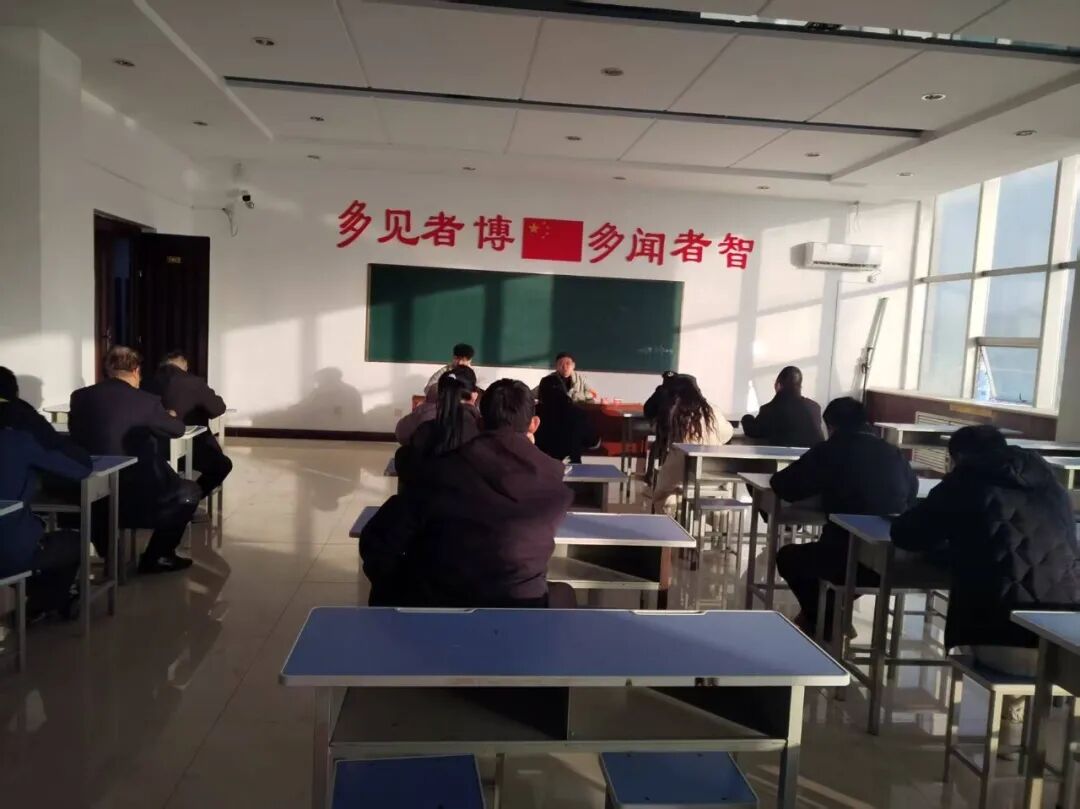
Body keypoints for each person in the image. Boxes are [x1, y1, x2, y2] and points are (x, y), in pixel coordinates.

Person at [891, 425, 1080, 752]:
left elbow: (908, 534)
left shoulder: (964, 482)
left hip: (998, 640)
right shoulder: (1052, 484)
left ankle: (1011, 718)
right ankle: (1015, 721)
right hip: (1065, 644)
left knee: (999, 611)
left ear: (958, 457)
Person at [360, 378, 573, 608]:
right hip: (521, 605)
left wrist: (397, 587)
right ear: (534, 424)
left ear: (480, 422)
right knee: (564, 595)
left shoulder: (440, 470)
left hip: (439, 603)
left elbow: (378, 540)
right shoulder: (556, 489)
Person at [773, 397, 917, 637]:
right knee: (831, 564)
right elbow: (911, 494)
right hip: (892, 561)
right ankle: (829, 613)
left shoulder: (830, 450)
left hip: (845, 557)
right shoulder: (893, 453)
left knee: (789, 557)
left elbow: (784, 485)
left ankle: (826, 621)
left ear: (831, 426)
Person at [69, 346, 199, 574]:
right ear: (137, 370)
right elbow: (177, 430)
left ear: (107, 368)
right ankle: (157, 556)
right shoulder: (146, 401)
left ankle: (109, 552)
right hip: (137, 493)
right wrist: (169, 416)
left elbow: (75, 431)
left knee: (101, 501)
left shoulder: (80, 397)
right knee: (189, 492)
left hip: (89, 488)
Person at [0, 427, 92, 618]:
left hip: (11, 549)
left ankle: (43, 600)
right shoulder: (16, 441)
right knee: (77, 543)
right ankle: (47, 602)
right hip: (11, 553)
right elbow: (78, 470)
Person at [145, 351, 232, 501]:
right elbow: (218, 408)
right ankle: (190, 498)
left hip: (155, 450)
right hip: (191, 448)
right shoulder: (193, 382)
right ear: (184, 364)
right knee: (223, 465)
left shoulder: (146, 382)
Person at [647, 375, 734, 508]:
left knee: (662, 490)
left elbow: (660, 433)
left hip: (680, 475)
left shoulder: (672, 412)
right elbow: (727, 434)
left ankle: (670, 513)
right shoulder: (711, 410)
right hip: (712, 476)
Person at [395, 366, 481, 483]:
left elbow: (401, 434)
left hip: (429, 489)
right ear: (474, 395)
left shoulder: (425, 428)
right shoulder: (481, 429)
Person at [0, 366, 91, 467]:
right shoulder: (26, 419)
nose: (42, 398)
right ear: (16, 392)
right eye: (38, 392)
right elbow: (69, 460)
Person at [741, 366, 824, 448]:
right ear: (800, 387)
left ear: (778, 385)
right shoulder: (815, 407)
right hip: (814, 456)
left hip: (781, 456)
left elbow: (753, 431)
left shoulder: (769, 409)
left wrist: (747, 418)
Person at [396, 366, 480, 446]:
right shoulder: (474, 423)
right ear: (473, 394)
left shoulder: (427, 418)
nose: (461, 362)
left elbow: (401, 433)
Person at [534, 373, 600, 464]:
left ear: (540, 393)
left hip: (539, 467)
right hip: (571, 467)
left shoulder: (533, 414)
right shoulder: (578, 414)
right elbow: (594, 443)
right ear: (564, 391)